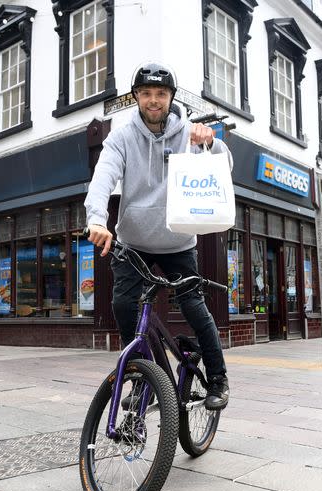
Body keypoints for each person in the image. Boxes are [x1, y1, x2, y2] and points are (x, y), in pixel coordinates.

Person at [85, 61, 231, 410]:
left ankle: (218, 378)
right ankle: (140, 377)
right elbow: (103, 177)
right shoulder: (121, 137)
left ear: (171, 97)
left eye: (161, 94)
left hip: (178, 242)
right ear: (136, 97)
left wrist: (211, 143)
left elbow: (224, 170)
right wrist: (96, 219)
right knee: (123, 305)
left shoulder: (189, 133)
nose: (154, 100)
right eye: (146, 93)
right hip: (133, 241)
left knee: (195, 307)